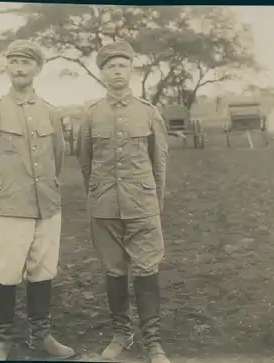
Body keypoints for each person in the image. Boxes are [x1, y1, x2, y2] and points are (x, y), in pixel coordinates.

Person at [0, 39, 75, 361]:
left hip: (46, 204)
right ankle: (1, 341)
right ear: (7, 67)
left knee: (43, 269)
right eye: (14, 61)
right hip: (10, 206)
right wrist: (0, 194)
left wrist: (43, 189)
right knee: (6, 270)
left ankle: (40, 336)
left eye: (26, 62)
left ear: (37, 69)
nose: (19, 68)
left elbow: (57, 158)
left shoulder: (51, 113)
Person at [76, 40, 170, 363]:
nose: (117, 72)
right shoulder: (90, 115)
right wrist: (99, 193)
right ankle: (121, 333)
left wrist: (154, 202)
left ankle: (153, 342)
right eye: (110, 66)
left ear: (131, 70)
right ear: (101, 72)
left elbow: (159, 162)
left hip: (143, 205)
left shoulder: (148, 112)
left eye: (123, 66)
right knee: (114, 271)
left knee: (146, 269)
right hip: (104, 206)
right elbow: (85, 161)